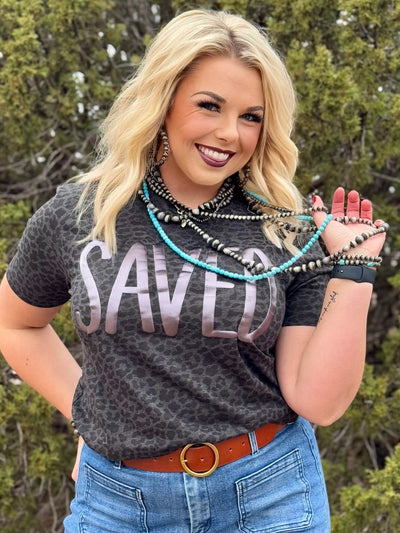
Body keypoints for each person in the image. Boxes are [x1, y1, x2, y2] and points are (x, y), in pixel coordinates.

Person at [0, 9, 387, 533]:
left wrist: (354, 270)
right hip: (117, 500)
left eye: (251, 117)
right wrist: (88, 414)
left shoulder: (285, 230)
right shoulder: (83, 212)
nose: (229, 133)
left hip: (268, 491)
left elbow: (317, 401)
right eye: (210, 106)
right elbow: (15, 321)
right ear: (163, 104)